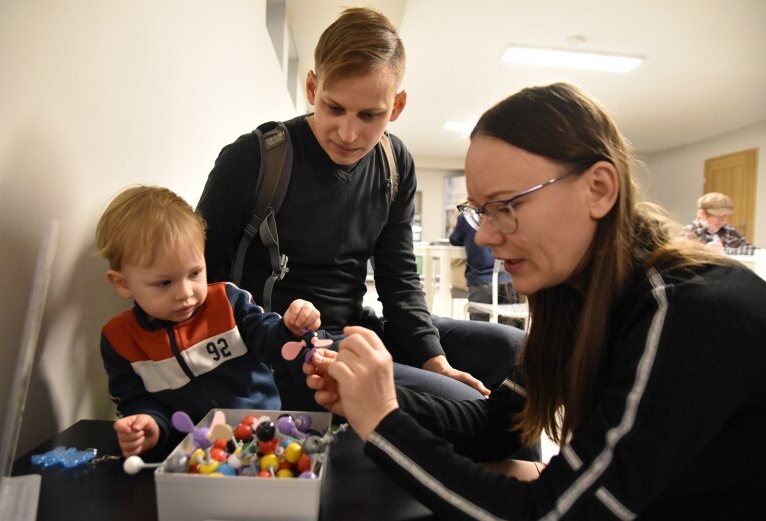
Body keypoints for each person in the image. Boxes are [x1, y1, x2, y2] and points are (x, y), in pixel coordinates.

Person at [303, 83, 766, 519]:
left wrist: (384, 422)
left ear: (599, 189)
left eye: (507, 205)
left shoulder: (691, 313)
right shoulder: (572, 296)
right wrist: (373, 398)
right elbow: (501, 425)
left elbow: (550, 513)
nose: (483, 234)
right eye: (481, 210)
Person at [197, 7, 524, 411]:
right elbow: (201, 276)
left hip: (354, 327)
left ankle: (525, 473)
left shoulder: (394, 162)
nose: (349, 134)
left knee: (513, 349)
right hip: (280, 345)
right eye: (334, 108)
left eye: (370, 115)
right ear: (313, 89)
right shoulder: (253, 158)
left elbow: (399, 276)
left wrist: (433, 360)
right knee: (463, 401)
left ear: (398, 106)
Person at [96, 185, 322, 459]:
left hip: (262, 435)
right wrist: (149, 425)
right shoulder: (120, 340)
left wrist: (290, 328)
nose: (185, 293)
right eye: (165, 282)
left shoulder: (227, 302)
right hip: (192, 452)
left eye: (195, 273)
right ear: (122, 283)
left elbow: (268, 339)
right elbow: (135, 400)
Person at [449, 212, 523, 327]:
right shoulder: (508, 215)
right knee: (509, 328)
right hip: (508, 281)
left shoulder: (467, 217)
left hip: (480, 281)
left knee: (479, 329)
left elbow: (455, 239)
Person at [683, 191, 752, 252]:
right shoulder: (690, 231)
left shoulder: (728, 229)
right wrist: (704, 250)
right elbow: (682, 255)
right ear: (702, 214)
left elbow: (749, 249)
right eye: (718, 216)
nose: (723, 220)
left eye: (725, 216)